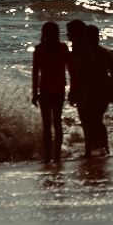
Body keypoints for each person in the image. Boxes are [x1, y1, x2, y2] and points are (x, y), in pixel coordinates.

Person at [70, 23, 113, 156]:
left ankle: (89, 149)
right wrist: (112, 91)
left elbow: (80, 75)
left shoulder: (84, 54)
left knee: (89, 121)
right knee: (98, 120)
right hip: (104, 90)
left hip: (90, 91)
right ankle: (105, 147)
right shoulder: (106, 52)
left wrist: (74, 92)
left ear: (87, 38)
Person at [30, 21, 69, 161]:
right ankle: (56, 156)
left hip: (45, 89)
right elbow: (70, 70)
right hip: (59, 89)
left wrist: (34, 92)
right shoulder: (63, 47)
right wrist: (73, 88)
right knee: (57, 122)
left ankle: (47, 156)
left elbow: (35, 73)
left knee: (47, 124)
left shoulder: (39, 49)